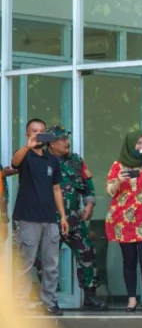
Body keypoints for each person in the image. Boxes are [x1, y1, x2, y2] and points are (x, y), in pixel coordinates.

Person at [11, 120, 70, 315]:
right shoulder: (25, 155)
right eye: (34, 131)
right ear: (27, 134)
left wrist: (62, 216)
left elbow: (56, 188)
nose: (39, 135)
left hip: (50, 219)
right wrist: (28, 145)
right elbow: (14, 162)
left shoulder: (52, 160)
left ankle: (50, 302)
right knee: (25, 263)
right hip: (28, 217)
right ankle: (20, 305)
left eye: (42, 132)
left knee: (51, 264)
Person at [105, 133, 142, 313]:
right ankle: (131, 299)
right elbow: (110, 191)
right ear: (130, 145)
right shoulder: (117, 165)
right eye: (139, 143)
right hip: (124, 221)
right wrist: (119, 180)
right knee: (129, 261)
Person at [57, 134, 106, 310]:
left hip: (73, 218)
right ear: (51, 143)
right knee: (47, 259)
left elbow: (87, 185)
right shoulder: (43, 160)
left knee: (87, 254)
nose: (66, 143)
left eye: (66, 139)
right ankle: (50, 299)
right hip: (49, 218)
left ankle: (90, 298)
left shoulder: (76, 160)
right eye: (61, 140)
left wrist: (90, 204)